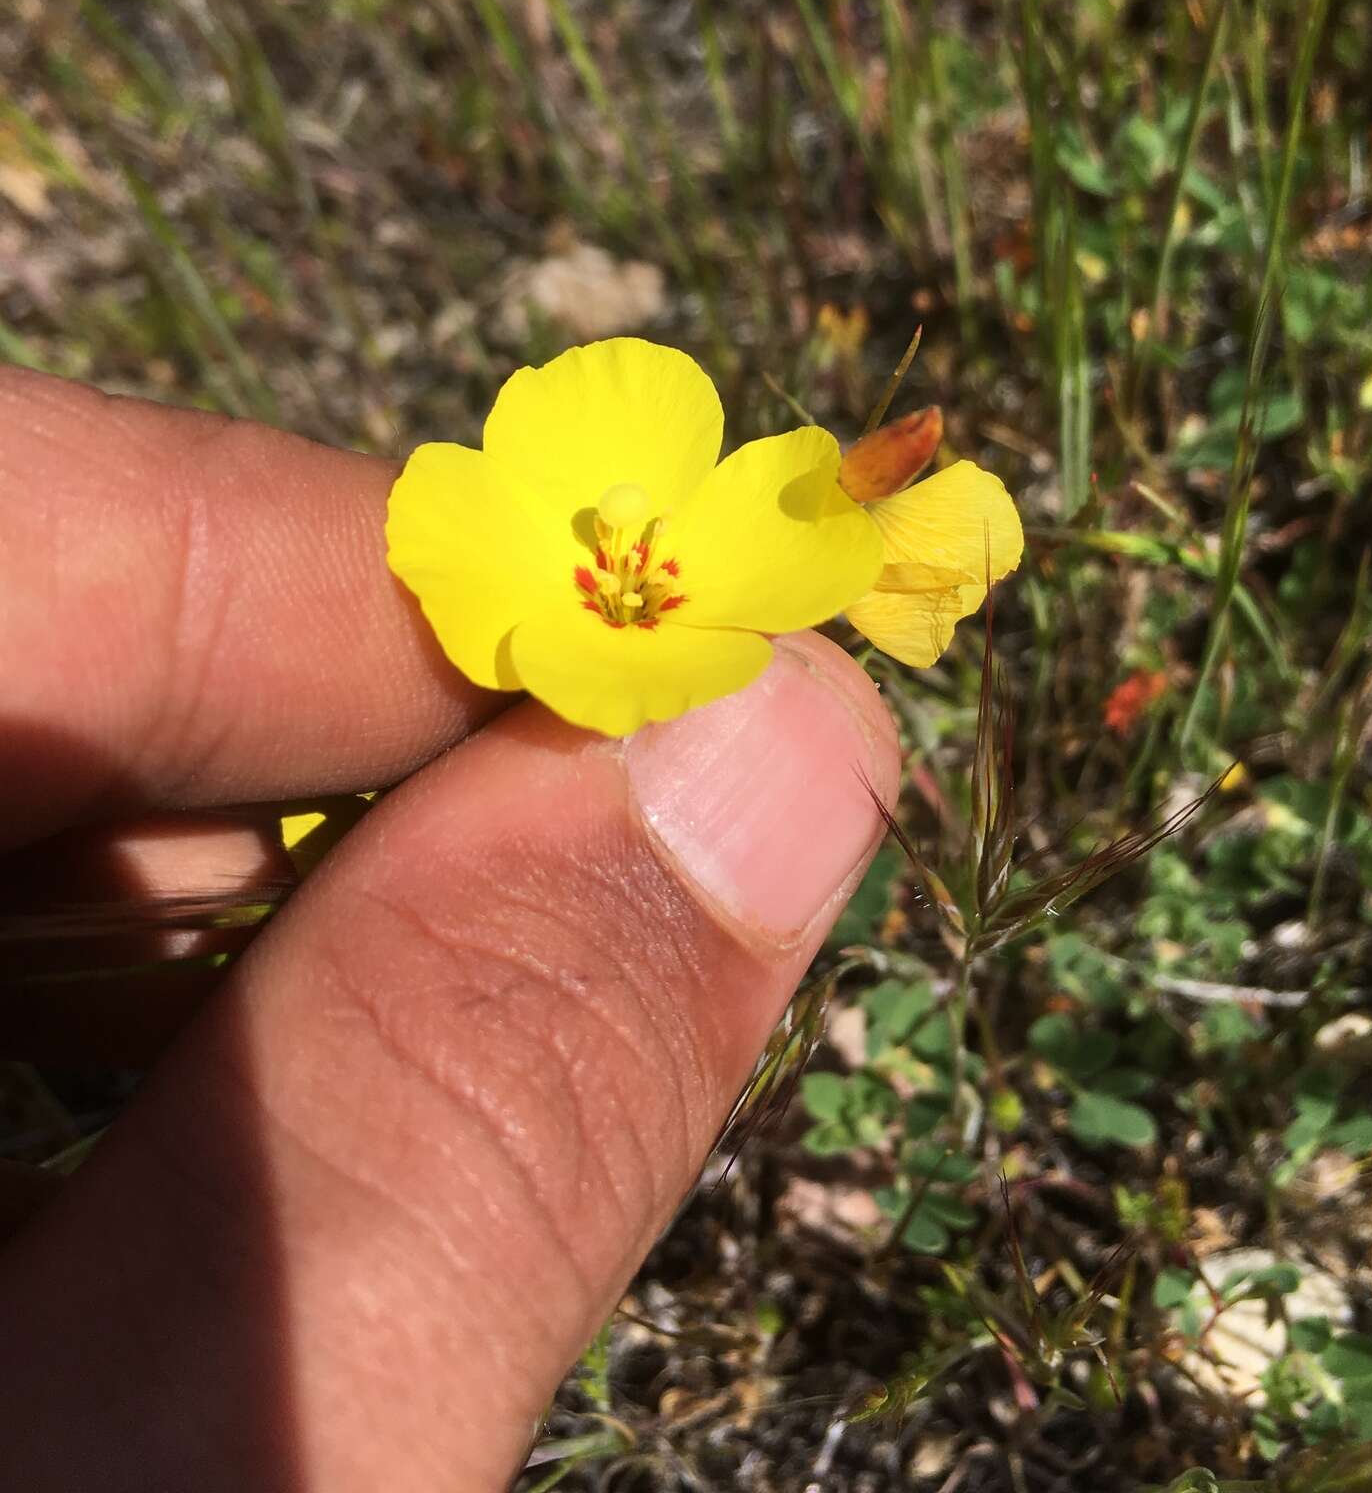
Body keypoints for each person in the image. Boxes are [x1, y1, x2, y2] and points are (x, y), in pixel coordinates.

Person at [0, 367, 899, 1489]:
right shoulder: (576, 603)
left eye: (631, 572)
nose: (626, 569)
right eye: (622, 571)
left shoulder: (709, 592)